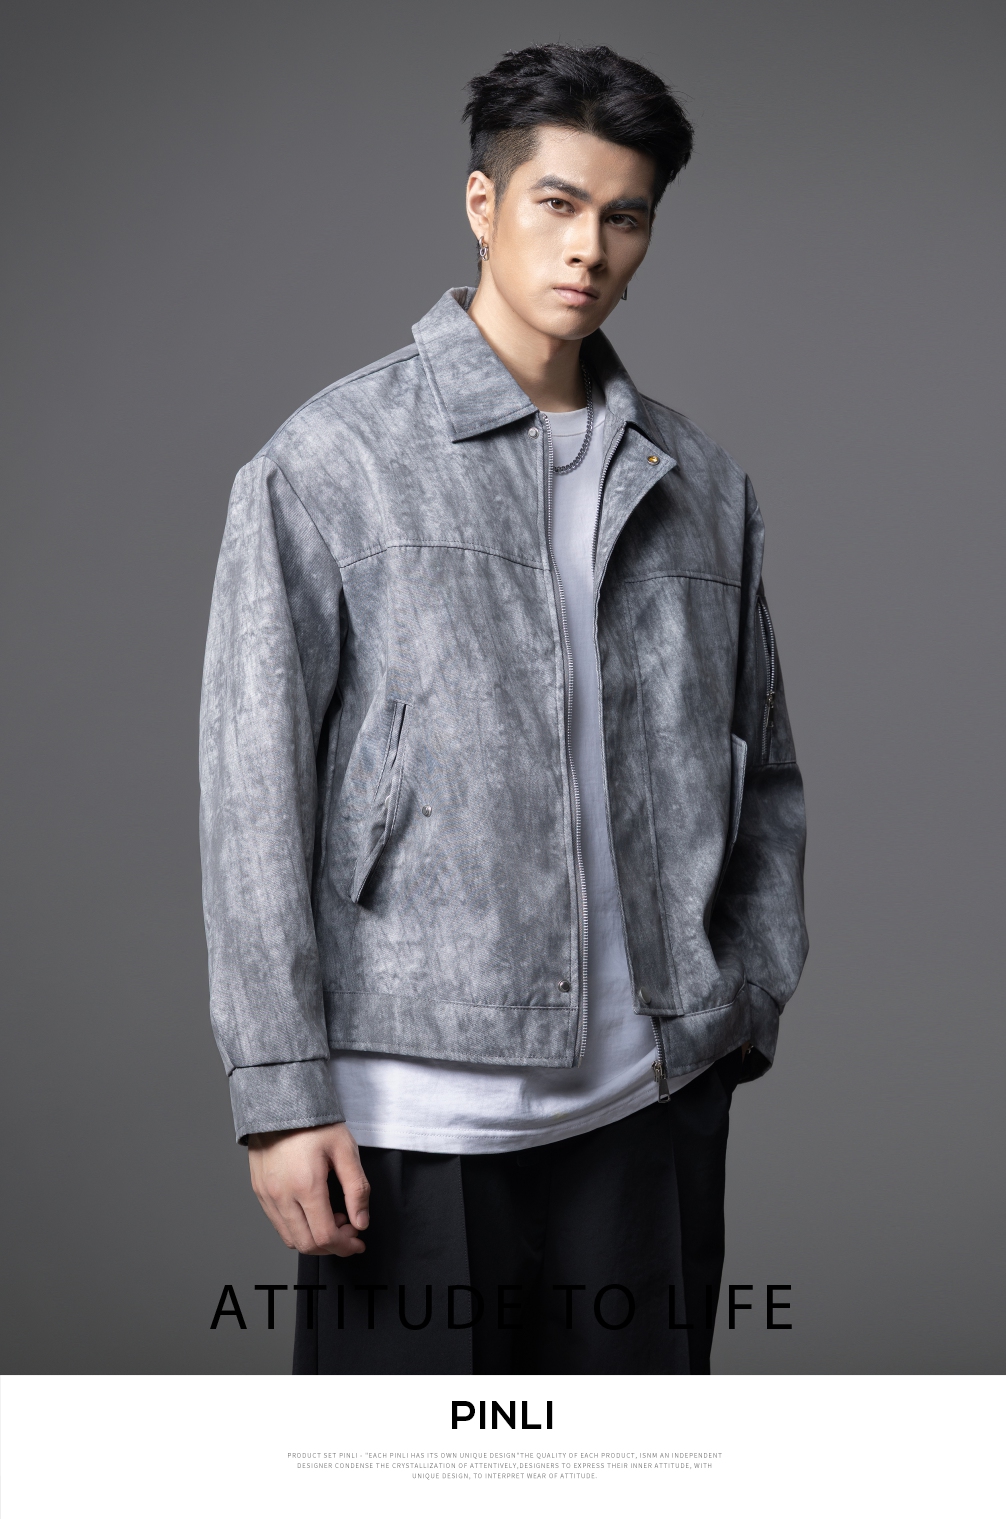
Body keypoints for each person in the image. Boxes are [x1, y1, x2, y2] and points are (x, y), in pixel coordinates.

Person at [199, 42, 807, 1376]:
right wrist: (280, 1096)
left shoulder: (702, 482)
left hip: (648, 1105)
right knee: (409, 1468)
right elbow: (252, 799)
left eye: (625, 216)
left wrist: (739, 1007)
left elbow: (760, 771)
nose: (589, 246)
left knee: (623, 1467)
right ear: (484, 204)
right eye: (557, 202)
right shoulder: (333, 461)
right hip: (409, 1120)